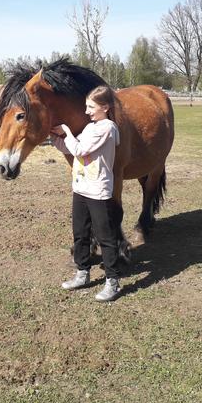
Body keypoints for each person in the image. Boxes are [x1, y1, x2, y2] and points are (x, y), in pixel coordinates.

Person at [50, 85, 122, 302]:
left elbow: (80, 150)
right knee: (80, 233)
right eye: (86, 106)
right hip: (81, 188)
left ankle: (112, 282)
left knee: (105, 237)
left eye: (91, 107)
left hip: (98, 190)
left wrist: (67, 130)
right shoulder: (90, 128)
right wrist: (54, 136)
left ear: (105, 107)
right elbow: (70, 148)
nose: (87, 111)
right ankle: (82, 273)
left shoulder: (108, 128)